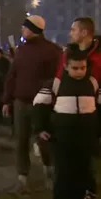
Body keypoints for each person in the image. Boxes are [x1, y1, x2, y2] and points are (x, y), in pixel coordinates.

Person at [1, 15, 62, 194]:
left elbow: (56, 80)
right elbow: (12, 76)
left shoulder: (53, 51)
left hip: (41, 106)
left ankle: (49, 171)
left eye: (24, 27)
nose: (22, 30)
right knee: (21, 141)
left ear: (32, 29)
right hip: (20, 103)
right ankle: (22, 178)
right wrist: (7, 100)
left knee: (43, 141)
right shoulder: (22, 50)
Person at [34, 47, 100, 199]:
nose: (79, 71)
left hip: (86, 138)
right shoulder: (55, 84)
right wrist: (41, 128)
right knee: (64, 173)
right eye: (75, 68)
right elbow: (39, 106)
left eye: (82, 68)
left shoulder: (93, 84)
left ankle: (86, 193)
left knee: (84, 169)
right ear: (66, 66)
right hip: (62, 139)